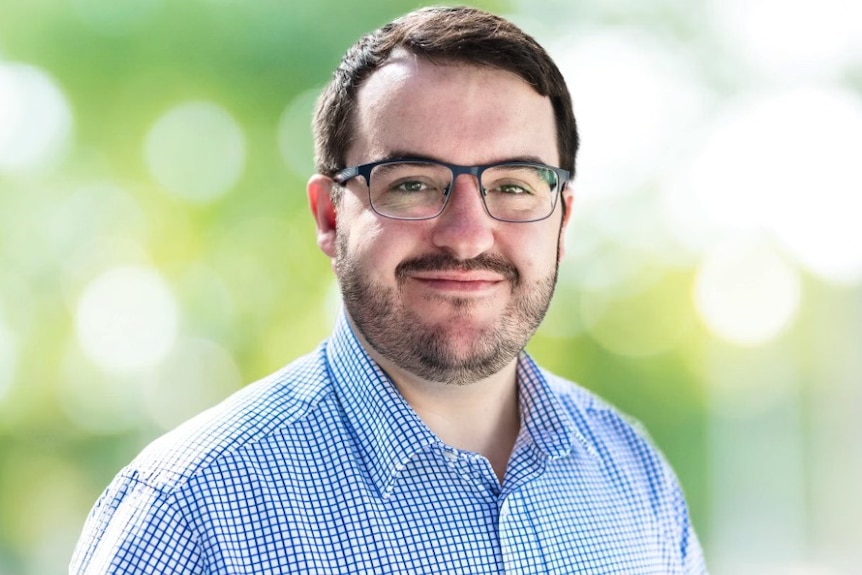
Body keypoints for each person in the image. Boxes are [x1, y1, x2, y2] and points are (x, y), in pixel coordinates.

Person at [70, 6, 707, 574]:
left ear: (561, 220)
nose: (465, 236)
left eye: (513, 185)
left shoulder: (635, 477)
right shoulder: (188, 514)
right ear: (329, 216)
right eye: (411, 183)